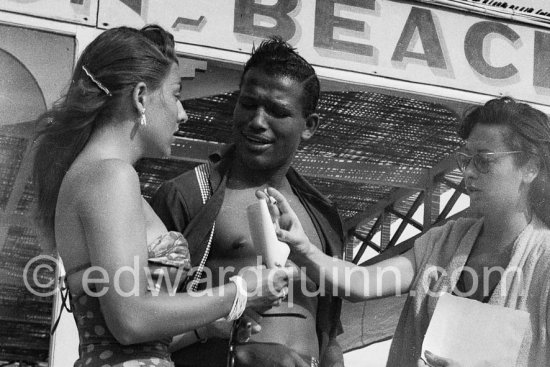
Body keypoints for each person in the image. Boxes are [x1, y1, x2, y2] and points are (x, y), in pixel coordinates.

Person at [32, 25, 292, 367]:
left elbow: (127, 337)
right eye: (175, 94)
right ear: (141, 96)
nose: (182, 113)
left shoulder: (93, 175)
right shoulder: (111, 176)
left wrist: (208, 328)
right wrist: (237, 292)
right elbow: (130, 321)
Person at [262, 97, 550, 367]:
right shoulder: (445, 241)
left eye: (484, 161)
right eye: (467, 160)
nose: (469, 173)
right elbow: (361, 283)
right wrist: (302, 248)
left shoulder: (545, 263)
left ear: (531, 168)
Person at [151, 37, 345, 367]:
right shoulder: (189, 196)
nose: (257, 120)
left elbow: (329, 335)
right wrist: (239, 354)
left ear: (309, 126)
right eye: (248, 103)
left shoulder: (323, 216)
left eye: (277, 111)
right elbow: (136, 324)